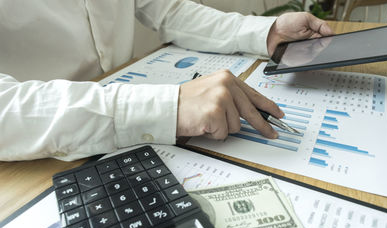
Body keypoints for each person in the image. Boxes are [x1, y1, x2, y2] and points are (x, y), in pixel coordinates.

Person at [0, 0, 333, 161]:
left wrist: (268, 30)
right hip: (35, 160)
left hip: (131, 127)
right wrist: (166, 107)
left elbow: (169, 11)